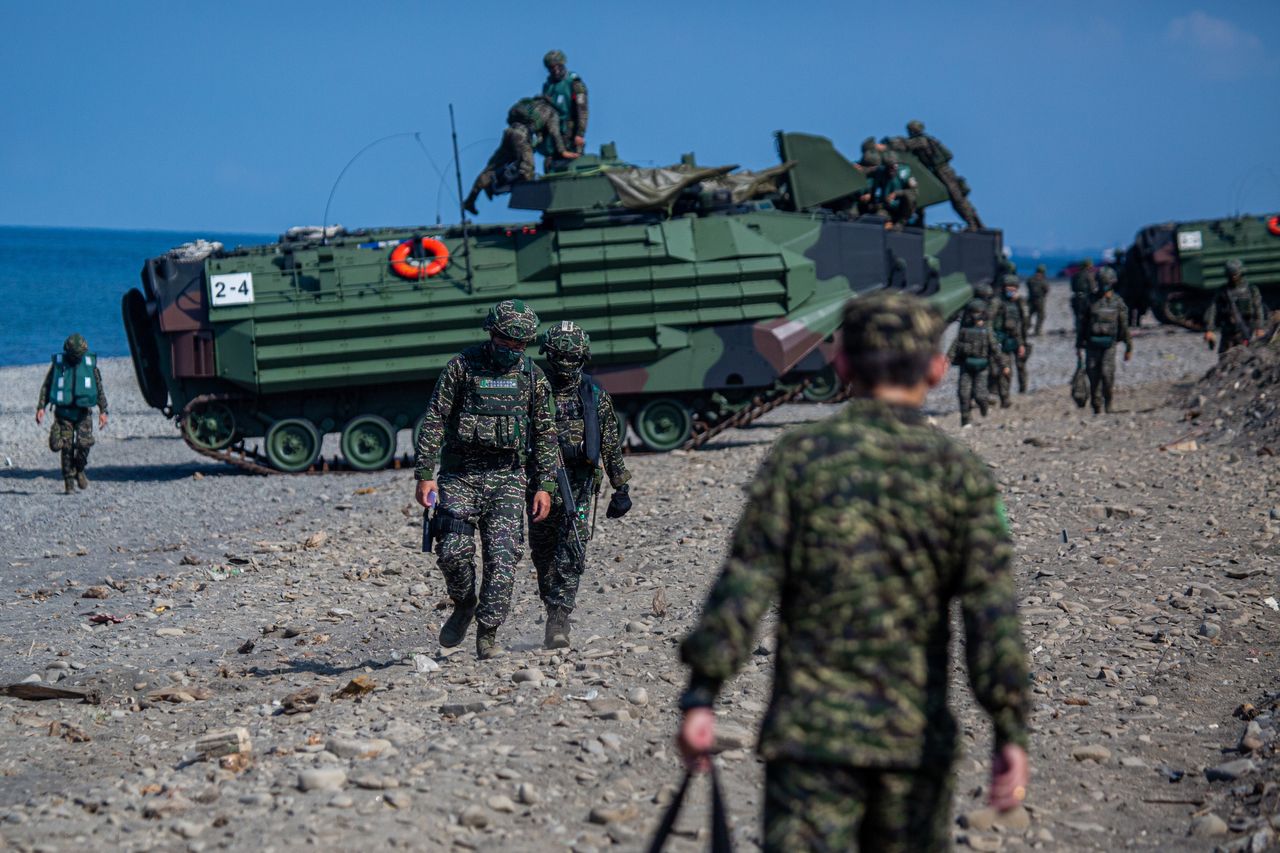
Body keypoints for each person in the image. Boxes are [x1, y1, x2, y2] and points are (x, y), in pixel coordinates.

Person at [675, 292, 1030, 852]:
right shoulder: (959, 473)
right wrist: (1010, 729)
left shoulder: (799, 458)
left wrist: (702, 695)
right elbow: (992, 611)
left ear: (840, 365)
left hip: (810, 741)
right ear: (938, 369)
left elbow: (746, 583)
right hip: (911, 745)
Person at [413, 300, 558, 659]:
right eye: (507, 341)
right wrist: (424, 474)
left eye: (520, 344)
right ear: (492, 334)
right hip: (461, 475)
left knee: (503, 558)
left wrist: (545, 486)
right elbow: (434, 418)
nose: (513, 350)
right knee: (452, 552)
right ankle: (464, 603)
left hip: (508, 477)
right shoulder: (462, 367)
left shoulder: (531, 377)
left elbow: (545, 434)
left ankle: (487, 633)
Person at [529, 321, 631, 649]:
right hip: (540, 484)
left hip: (581, 481)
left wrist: (621, 486)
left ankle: (559, 618)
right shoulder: (534, 390)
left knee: (573, 546)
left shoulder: (593, 395)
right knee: (543, 552)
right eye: (560, 356)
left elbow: (610, 443)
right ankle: (551, 604)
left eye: (571, 357)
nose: (565, 364)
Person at [463, 96, 580, 215]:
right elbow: (555, 133)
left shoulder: (529, 104)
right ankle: (524, 195)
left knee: (491, 167)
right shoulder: (551, 112)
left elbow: (510, 118)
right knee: (528, 169)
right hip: (522, 137)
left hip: (509, 132)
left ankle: (470, 200)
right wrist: (563, 151)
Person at [36, 334, 108, 494]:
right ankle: (69, 481)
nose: (77, 358)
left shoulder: (89, 365)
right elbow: (47, 386)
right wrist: (41, 407)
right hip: (64, 413)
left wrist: (103, 410)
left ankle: (79, 469)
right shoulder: (59, 365)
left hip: (83, 413)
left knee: (84, 444)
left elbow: (98, 388)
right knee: (66, 447)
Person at [886, 119, 983, 230]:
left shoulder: (921, 141)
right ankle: (976, 224)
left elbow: (904, 145)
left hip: (943, 173)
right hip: (941, 172)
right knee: (959, 200)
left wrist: (889, 143)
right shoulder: (925, 140)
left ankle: (974, 225)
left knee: (957, 200)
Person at [1076, 267, 1132, 414]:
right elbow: (1082, 323)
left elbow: (1124, 326)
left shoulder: (1118, 302)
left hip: (1109, 345)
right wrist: (1078, 345)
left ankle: (1109, 404)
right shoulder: (1090, 300)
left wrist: (1129, 346)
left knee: (1107, 375)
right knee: (1093, 376)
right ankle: (1096, 406)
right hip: (1092, 345)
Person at [947, 299, 1000, 427]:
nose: (975, 315)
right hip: (966, 366)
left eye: (978, 312)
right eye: (973, 312)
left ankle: (984, 406)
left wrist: (1003, 366)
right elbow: (955, 346)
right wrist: (947, 361)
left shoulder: (987, 331)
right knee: (963, 394)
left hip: (981, 368)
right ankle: (966, 420)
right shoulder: (964, 331)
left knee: (980, 395)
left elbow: (995, 349)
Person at [1204, 259, 1267, 353]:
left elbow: (1258, 309)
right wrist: (1209, 329)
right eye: (1231, 275)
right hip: (1228, 332)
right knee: (1224, 358)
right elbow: (1212, 310)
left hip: (1246, 330)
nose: (1234, 277)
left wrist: (1260, 327)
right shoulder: (1222, 292)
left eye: (1236, 274)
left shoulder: (1251, 290)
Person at [541, 50, 589, 155]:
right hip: (553, 135)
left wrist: (580, 134)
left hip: (570, 133)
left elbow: (582, 110)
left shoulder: (574, 83)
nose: (555, 70)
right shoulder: (548, 86)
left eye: (557, 66)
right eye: (551, 68)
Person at [992, 275, 1030, 397]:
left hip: (1019, 338)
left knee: (1021, 366)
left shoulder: (1021, 302)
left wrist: (1022, 342)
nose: (1011, 290)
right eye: (1008, 288)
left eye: (1013, 288)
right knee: (1005, 367)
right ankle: (1004, 395)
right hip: (1003, 338)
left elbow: (1026, 321)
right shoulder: (998, 302)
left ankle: (1023, 390)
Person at [1069, 258, 1097, 336]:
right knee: (1087, 314)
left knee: (1077, 315)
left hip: (1076, 297)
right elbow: (1092, 288)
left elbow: (1072, 288)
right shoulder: (1089, 275)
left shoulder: (1075, 275)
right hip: (1086, 298)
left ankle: (1078, 329)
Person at [1026, 264, 1049, 336]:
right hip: (1039, 300)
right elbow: (1046, 289)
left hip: (1031, 299)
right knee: (1040, 315)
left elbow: (1028, 285)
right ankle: (1037, 330)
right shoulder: (1043, 279)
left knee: (1029, 315)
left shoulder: (1031, 279)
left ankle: (1026, 328)